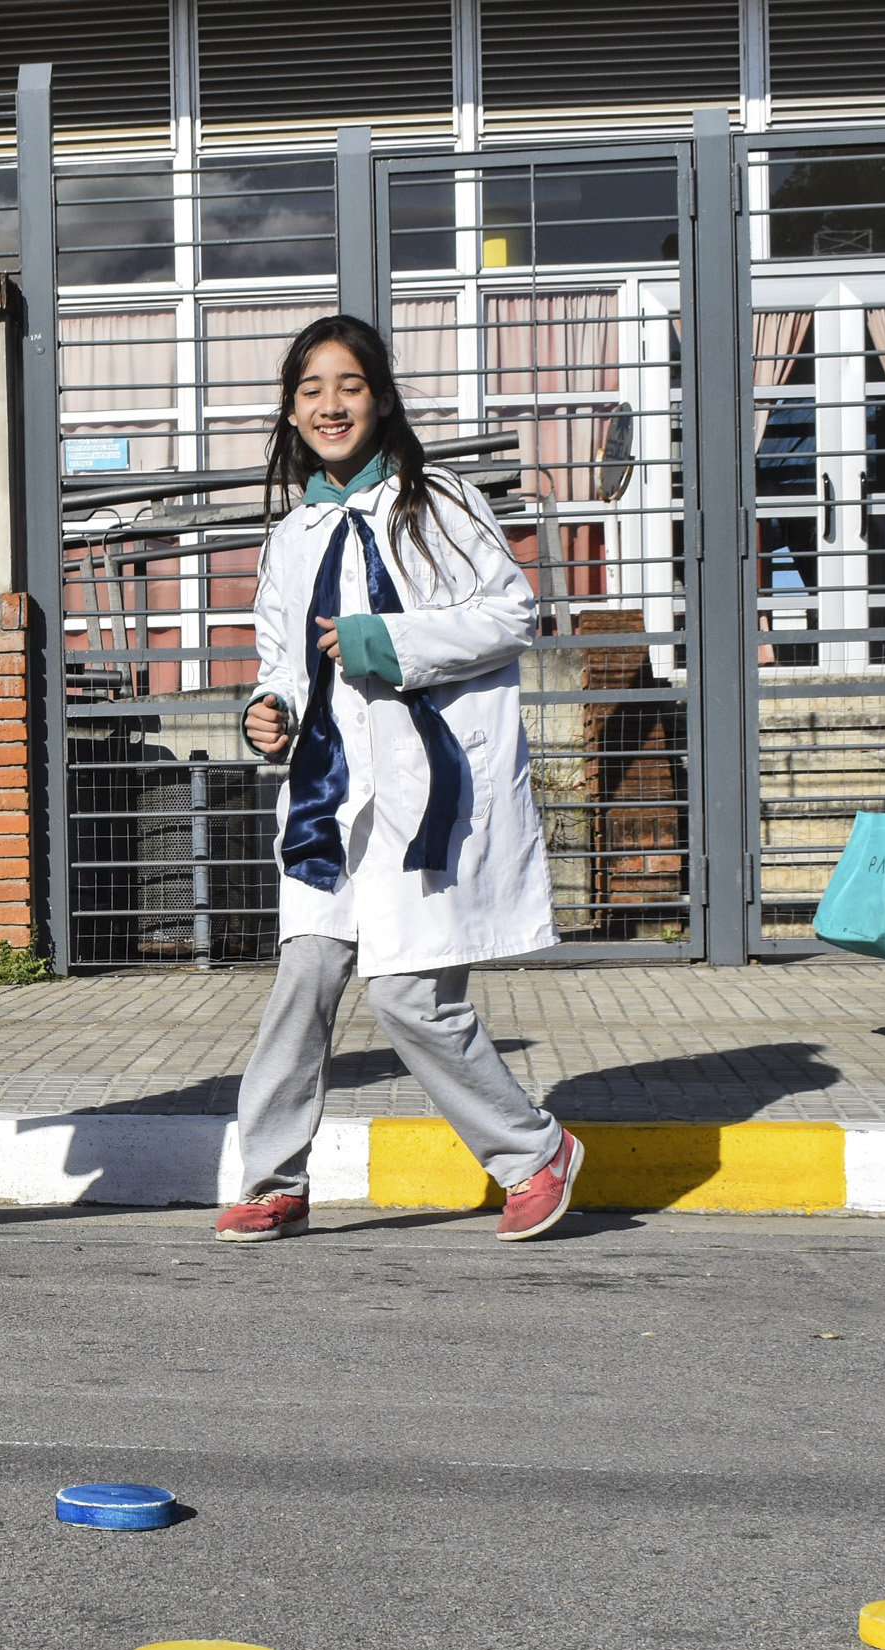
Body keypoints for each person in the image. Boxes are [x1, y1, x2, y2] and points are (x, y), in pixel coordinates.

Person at [214, 313, 583, 1246]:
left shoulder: (441, 502)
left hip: (426, 787)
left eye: (347, 385)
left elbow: (510, 612)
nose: (330, 405)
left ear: (379, 397)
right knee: (305, 978)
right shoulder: (292, 533)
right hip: (331, 797)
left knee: (410, 998)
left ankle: (534, 1154)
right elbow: (279, 660)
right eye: (310, 391)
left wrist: (392, 642)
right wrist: (269, 713)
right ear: (291, 413)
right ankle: (273, 1181)